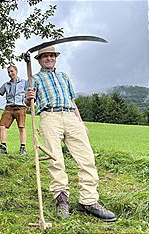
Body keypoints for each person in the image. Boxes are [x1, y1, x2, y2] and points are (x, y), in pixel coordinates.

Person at [25, 46, 116, 222]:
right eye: (45, 56)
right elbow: (29, 104)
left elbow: (72, 101)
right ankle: (61, 200)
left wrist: (80, 122)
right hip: (49, 116)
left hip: (70, 116)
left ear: (55, 58)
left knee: (87, 158)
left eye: (52, 55)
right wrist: (28, 97)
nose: (49, 58)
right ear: (39, 60)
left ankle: (88, 201)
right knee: (55, 159)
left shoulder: (64, 76)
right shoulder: (34, 79)